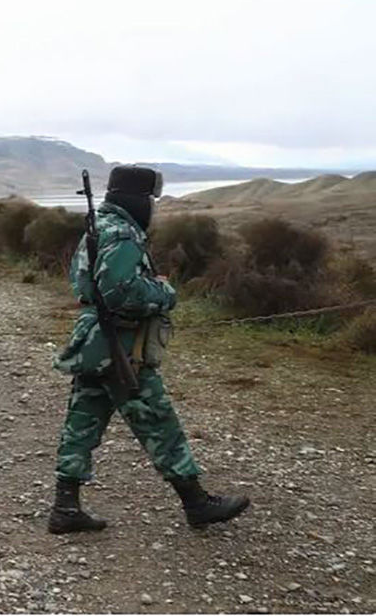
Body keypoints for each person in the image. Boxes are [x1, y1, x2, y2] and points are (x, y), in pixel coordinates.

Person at [49, 165, 249, 534]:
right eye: (151, 201)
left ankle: (66, 507)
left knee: (82, 422)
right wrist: (163, 293)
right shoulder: (123, 233)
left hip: (94, 342)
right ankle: (196, 503)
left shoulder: (99, 228)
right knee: (158, 421)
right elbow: (120, 293)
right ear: (138, 200)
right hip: (122, 345)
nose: (153, 208)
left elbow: (87, 284)